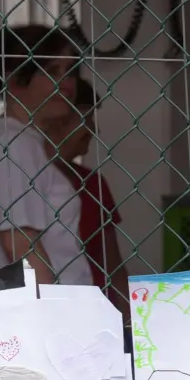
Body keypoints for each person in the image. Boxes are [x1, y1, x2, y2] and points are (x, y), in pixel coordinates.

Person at [0, 25, 87, 286]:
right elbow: (22, 247)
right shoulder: (14, 144)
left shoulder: (10, 139)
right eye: (51, 71)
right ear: (15, 80)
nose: (67, 85)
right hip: (36, 315)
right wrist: (52, 312)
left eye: (70, 71)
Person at [47, 77, 128, 309]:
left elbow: (113, 265)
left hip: (97, 312)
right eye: (86, 117)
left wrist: (130, 323)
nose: (94, 128)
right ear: (57, 120)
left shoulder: (92, 184)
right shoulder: (21, 183)